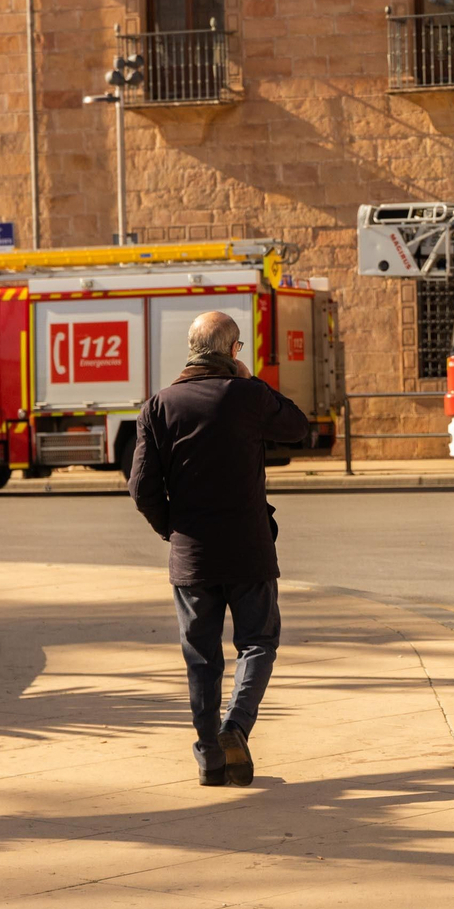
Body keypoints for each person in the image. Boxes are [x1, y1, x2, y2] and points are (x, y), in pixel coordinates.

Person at [129, 311, 309, 786]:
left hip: (193, 557)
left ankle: (210, 756)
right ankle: (236, 728)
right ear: (233, 351)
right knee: (258, 643)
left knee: (201, 656)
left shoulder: (158, 406)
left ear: (190, 349)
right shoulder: (248, 397)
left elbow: (141, 488)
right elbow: (297, 426)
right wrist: (254, 381)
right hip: (249, 551)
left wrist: (175, 530)